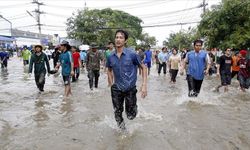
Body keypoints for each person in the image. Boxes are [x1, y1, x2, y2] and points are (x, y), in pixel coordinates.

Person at [106, 29, 147, 130]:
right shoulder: (110, 56)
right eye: (117, 37)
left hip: (130, 89)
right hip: (116, 89)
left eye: (121, 37)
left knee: (130, 115)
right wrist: (111, 84)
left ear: (125, 41)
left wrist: (144, 85)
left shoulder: (132, 54)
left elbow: (144, 68)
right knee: (117, 112)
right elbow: (109, 70)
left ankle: (134, 108)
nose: (118, 39)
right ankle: (122, 133)